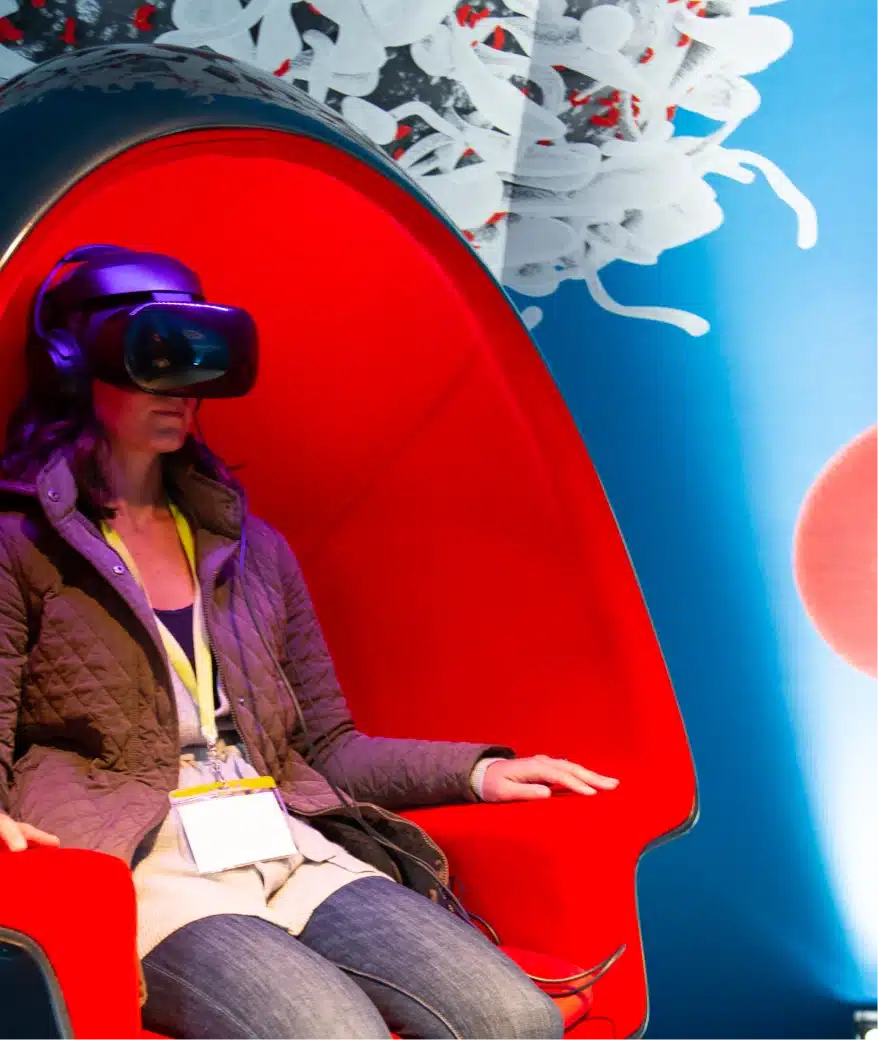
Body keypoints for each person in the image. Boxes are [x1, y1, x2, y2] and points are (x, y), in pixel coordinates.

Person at [0, 246, 619, 1040]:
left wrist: (477, 770)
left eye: (200, 360)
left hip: (288, 839)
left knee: (516, 1018)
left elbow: (325, 743)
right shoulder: (21, 548)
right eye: (153, 357)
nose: (182, 389)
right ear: (70, 363)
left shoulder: (253, 548)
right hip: (150, 863)